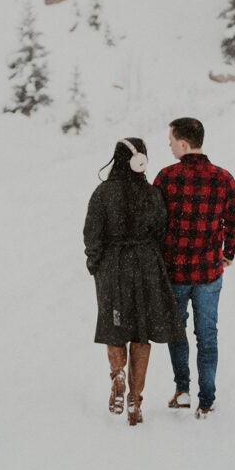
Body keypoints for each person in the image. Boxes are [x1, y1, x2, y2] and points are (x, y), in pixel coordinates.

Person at [83, 137, 185, 426]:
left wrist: (96, 264)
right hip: (146, 264)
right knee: (141, 332)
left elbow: (92, 234)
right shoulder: (152, 194)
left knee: (115, 326)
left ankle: (117, 372)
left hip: (112, 267)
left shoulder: (102, 193)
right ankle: (135, 399)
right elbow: (162, 231)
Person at [153, 117, 235, 419]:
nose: (168, 145)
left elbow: (155, 222)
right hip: (208, 274)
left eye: (170, 140)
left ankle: (182, 390)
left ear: (183, 144)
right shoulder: (224, 178)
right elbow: (234, 219)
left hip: (175, 273)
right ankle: (206, 400)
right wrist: (227, 252)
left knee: (177, 332)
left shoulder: (166, 178)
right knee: (207, 336)